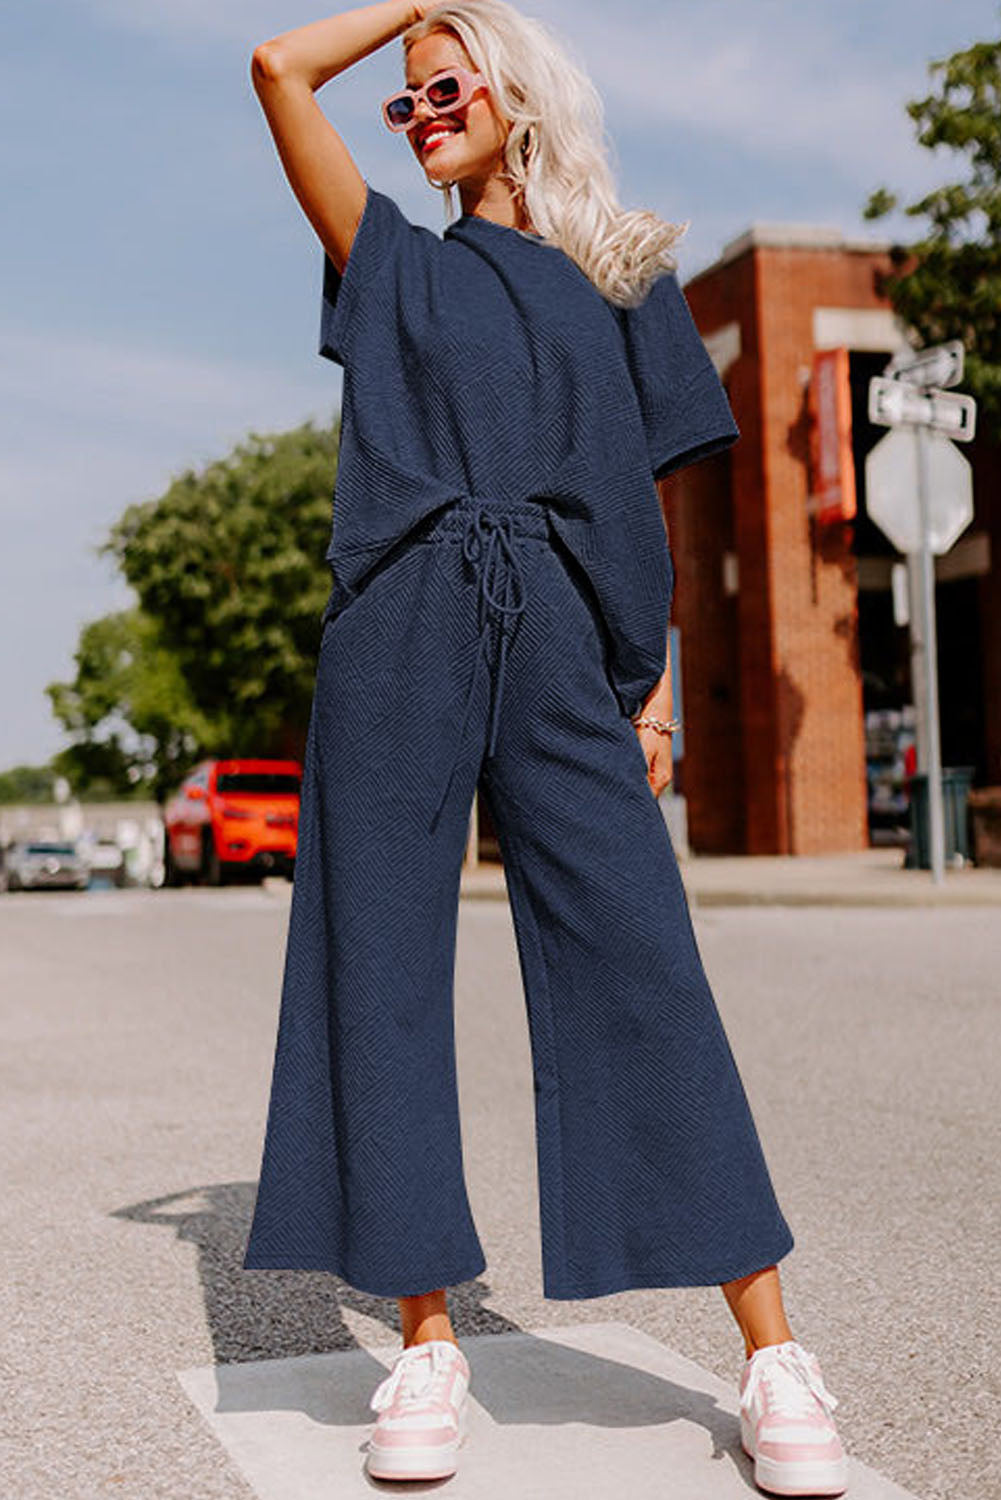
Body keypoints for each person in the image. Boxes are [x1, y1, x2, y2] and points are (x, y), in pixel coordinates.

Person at [243, 2, 848, 1493]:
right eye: (403, 104)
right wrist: (410, 11)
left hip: (572, 647)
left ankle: (773, 1355)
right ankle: (427, 1342)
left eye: (442, 89)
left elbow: (656, 500)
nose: (419, 114)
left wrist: (652, 688)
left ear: (511, 96)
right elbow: (274, 68)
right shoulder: (384, 259)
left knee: (644, 966)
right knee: (376, 973)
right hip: (398, 633)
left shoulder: (626, 272)